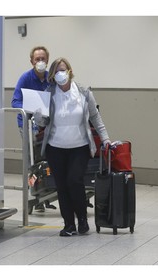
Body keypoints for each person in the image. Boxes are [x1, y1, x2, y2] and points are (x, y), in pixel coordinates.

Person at [34, 57, 111, 236]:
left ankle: (82, 219)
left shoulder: (84, 93)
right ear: (53, 75)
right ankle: (69, 225)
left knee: (74, 181)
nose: (61, 74)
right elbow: (43, 122)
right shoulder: (49, 94)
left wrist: (105, 139)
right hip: (55, 147)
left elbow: (95, 117)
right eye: (58, 71)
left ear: (70, 71)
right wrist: (38, 115)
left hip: (80, 146)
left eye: (64, 69)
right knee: (61, 186)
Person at [11, 46, 50, 212]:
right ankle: (34, 197)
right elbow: (15, 101)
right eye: (37, 59)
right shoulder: (25, 78)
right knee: (32, 161)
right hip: (28, 124)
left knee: (45, 159)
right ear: (32, 61)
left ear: (47, 60)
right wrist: (31, 108)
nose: (40, 62)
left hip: (45, 125)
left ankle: (46, 191)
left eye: (43, 59)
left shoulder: (51, 78)